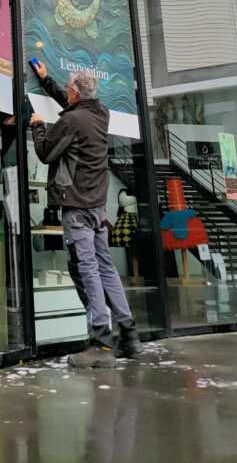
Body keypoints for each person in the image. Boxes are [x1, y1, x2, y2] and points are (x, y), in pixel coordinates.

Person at [29, 60, 142, 368]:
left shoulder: (72, 122)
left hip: (77, 209)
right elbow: (72, 105)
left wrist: (38, 125)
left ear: (75, 93)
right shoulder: (99, 114)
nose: (67, 93)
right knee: (105, 268)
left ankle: (101, 343)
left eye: (68, 89)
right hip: (96, 206)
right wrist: (46, 81)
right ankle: (129, 334)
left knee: (87, 269)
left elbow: (45, 152)